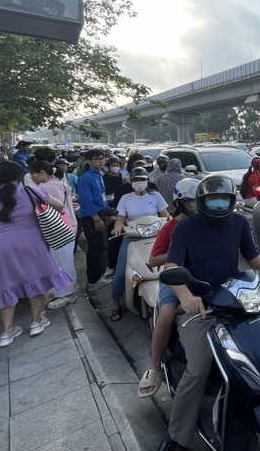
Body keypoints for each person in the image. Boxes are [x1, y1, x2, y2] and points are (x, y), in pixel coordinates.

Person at [149, 174, 260, 451]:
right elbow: (171, 266)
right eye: (212, 199)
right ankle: (175, 436)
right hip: (201, 307)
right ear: (201, 201)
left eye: (224, 198)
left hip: (236, 301)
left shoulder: (239, 223)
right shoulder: (185, 228)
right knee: (198, 368)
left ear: (233, 200)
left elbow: (252, 255)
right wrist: (185, 296)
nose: (219, 204)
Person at [0, 161, 74, 347]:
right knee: (35, 279)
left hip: (0, 244)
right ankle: (36, 322)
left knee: (6, 284)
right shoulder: (31, 192)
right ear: (19, 176)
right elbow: (59, 206)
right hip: (30, 240)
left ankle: (7, 332)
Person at [137, 178, 200, 398]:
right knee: (167, 312)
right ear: (181, 203)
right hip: (175, 277)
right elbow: (153, 260)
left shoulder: (207, 222)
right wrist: (180, 251)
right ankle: (154, 365)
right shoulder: (170, 227)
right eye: (193, 201)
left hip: (202, 275)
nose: (198, 206)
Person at [110, 167, 169, 321]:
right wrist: (117, 227)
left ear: (147, 181)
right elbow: (120, 218)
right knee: (121, 273)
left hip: (156, 237)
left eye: (142, 179)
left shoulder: (156, 196)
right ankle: (115, 302)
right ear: (131, 182)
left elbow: (165, 215)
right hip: (133, 238)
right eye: (136, 180)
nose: (139, 182)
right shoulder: (125, 198)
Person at [28, 160, 78, 309]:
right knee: (66, 259)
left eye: (32, 174)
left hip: (57, 228)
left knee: (60, 261)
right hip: (70, 224)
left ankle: (67, 293)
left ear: (42, 173)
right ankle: (65, 290)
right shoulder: (60, 184)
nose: (31, 177)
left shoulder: (43, 188)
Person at [76, 149, 111, 291]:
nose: (101, 161)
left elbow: (102, 196)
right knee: (95, 247)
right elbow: (85, 201)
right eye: (97, 159)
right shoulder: (85, 178)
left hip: (101, 213)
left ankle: (98, 276)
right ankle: (93, 280)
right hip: (91, 217)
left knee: (101, 246)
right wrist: (96, 218)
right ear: (89, 161)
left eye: (102, 159)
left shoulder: (99, 175)